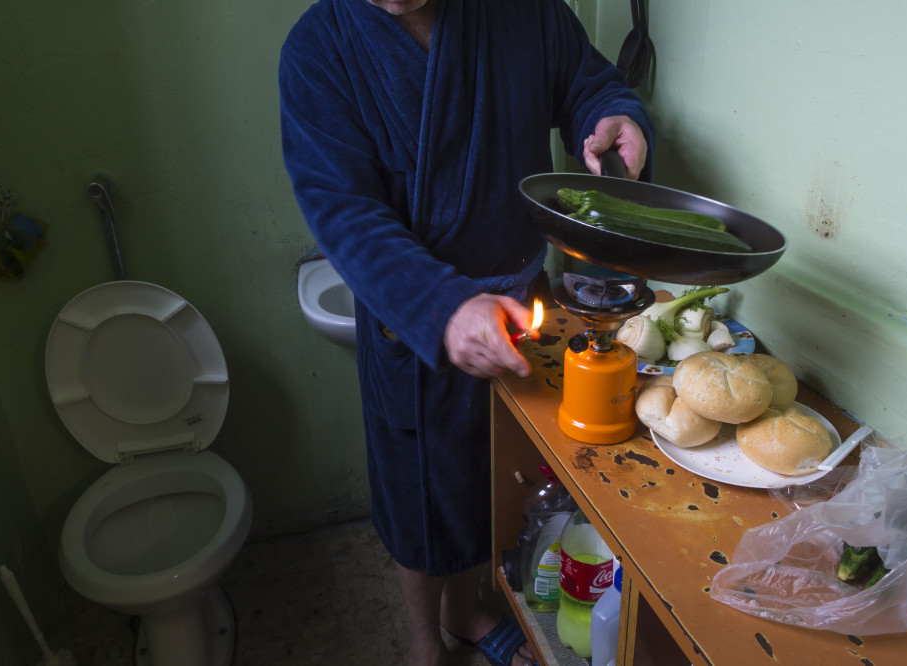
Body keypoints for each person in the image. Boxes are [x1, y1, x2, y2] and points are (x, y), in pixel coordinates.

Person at [279, 1, 652, 664]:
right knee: (418, 495)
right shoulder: (319, 49)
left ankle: (467, 610)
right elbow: (343, 212)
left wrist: (611, 115)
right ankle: (425, 639)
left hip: (520, 299)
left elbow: (585, 83)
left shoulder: (526, 11)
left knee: (497, 479)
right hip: (410, 317)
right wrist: (442, 308)